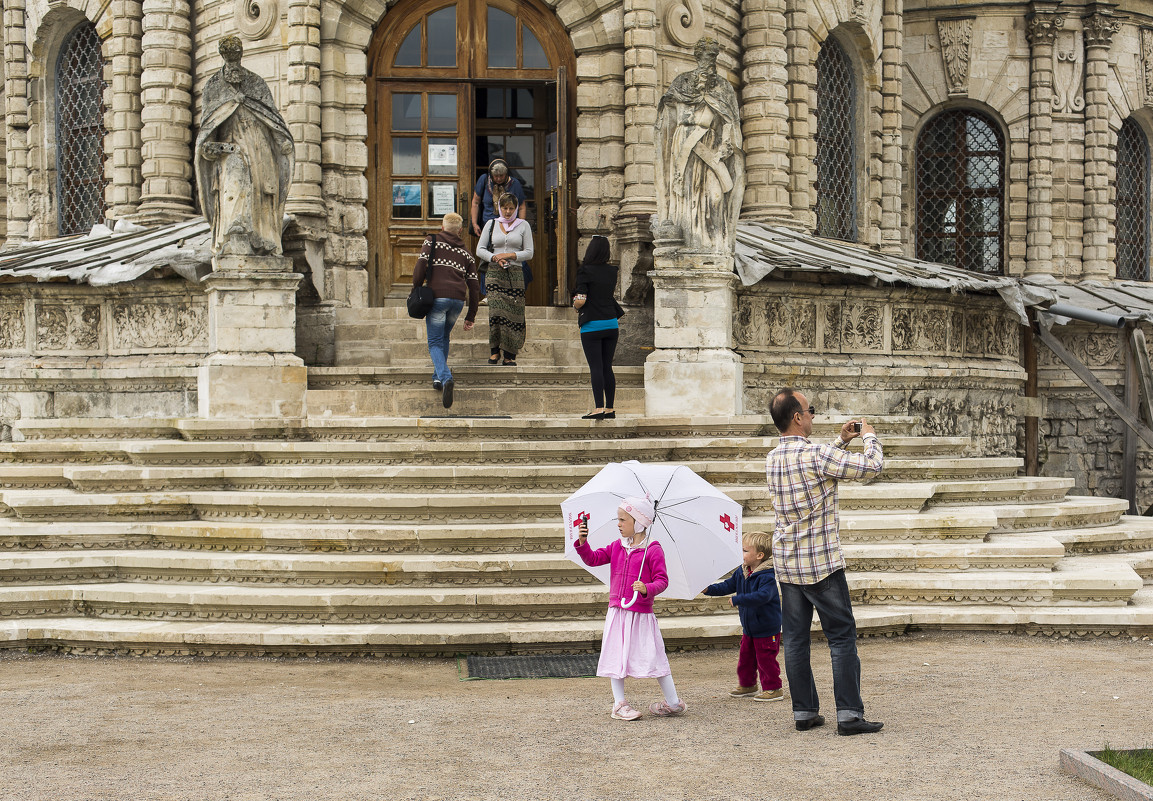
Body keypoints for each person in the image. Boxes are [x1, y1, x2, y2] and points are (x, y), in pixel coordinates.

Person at [766, 388, 884, 735]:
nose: (813, 415)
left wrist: (840, 441)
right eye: (810, 410)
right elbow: (872, 465)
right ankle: (848, 714)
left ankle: (804, 712)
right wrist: (869, 435)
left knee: (796, 641)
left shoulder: (772, 458)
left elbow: (817, 469)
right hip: (821, 562)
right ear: (798, 417)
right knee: (841, 638)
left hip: (788, 563)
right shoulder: (816, 455)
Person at [575, 495, 686, 721]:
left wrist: (646, 588)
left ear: (639, 522)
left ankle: (673, 702)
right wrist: (583, 544)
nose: (618, 524)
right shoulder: (617, 546)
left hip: (642, 614)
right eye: (618, 519)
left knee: (656, 657)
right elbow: (593, 559)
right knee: (617, 656)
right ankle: (619, 704)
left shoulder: (653, 550)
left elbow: (662, 581)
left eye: (623, 520)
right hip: (619, 611)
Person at [195, 36, 294, 257]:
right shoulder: (213, 86)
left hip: (260, 148)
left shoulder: (256, 83)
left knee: (262, 192)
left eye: (236, 58)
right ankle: (234, 235)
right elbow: (208, 130)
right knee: (235, 183)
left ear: (241, 55)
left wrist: (280, 139)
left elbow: (271, 116)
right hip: (231, 148)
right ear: (223, 58)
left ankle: (264, 242)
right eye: (228, 61)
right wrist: (214, 148)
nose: (233, 66)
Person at [653, 37, 745, 253]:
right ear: (697, 56)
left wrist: (726, 145)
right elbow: (667, 114)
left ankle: (713, 247)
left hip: (711, 147)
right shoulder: (682, 83)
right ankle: (689, 243)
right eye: (705, 56)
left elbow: (730, 120)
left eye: (712, 57)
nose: (708, 61)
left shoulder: (722, 87)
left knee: (715, 196)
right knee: (685, 196)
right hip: (685, 145)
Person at [702, 530, 783, 702]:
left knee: (766, 659)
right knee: (745, 658)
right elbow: (727, 585)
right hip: (750, 627)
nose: (741, 554)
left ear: (760, 555)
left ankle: (773, 688)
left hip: (767, 628)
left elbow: (763, 596)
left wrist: (739, 599)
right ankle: (748, 685)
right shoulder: (742, 571)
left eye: (745, 551)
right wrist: (709, 589)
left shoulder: (767, 576)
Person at [411, 212, 480, 409]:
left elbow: (420, 267)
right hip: (457, 301)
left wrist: (415, 289)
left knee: (434, 341)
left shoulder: (432, 241)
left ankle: (446, 377)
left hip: (437, 298)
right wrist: (471, 314)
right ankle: (437, 378)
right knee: (444, 338)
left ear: (442, 227)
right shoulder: (467, 253)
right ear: (460, 231)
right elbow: (474, 286)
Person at [476, 193, 532, 366]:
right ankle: (494, 351)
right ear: (499, 208)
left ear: (516, 209)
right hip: (494, 273)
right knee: (496, 313)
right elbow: (480, 249)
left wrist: (510, 255)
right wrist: (495, 258)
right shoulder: (491, 224)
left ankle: (509, 354)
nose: (508, 212)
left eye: (511, 208)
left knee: (514, 314)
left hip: (514, 274)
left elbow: (529, 252)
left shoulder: (523, 225)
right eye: (505, 208)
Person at [572, 236, 623, 420]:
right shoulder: (612, 271)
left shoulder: (584, 271)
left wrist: (575, 305)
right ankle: (610, 408)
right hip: (611, 323)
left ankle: (598, 408)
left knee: (596, 367)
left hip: (592, 325)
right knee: (607, 366)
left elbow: (581, 299)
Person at [470, 159, 526, 300]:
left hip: (510, 226)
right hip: (489, 226)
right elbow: (476, 202)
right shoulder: (484, 180)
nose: (499, 179)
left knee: (511, 256)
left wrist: (521, 225)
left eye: (502, 176)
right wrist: (474, 223)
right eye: (496, 177)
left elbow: (523, 206)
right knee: (487, 258)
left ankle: (511, 292)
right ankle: (488, 293)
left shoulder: (515, 184)